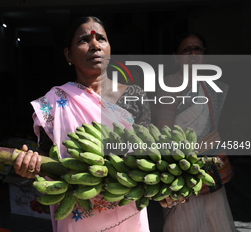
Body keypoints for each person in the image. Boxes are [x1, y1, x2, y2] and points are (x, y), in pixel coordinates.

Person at [13, 16, 151, 232]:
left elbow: (148, 154)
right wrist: (31, 167)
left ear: (110, 49)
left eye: (101, 39)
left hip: (128, 212)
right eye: (84, 40)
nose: (95, 45)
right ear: (68, 54)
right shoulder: (54, 103)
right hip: (78, 214)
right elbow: (50, 163)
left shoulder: (133, 96)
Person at [156, 32, 236, 232]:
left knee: (216, 223)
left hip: (211, 170)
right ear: (176, 56)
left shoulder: (210, 86)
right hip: (182, 170)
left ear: (204, 55)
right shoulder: (170, 85)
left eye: (197, 48)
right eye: (187, 49)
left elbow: (216, 127)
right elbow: (164, 133)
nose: (193, 53)